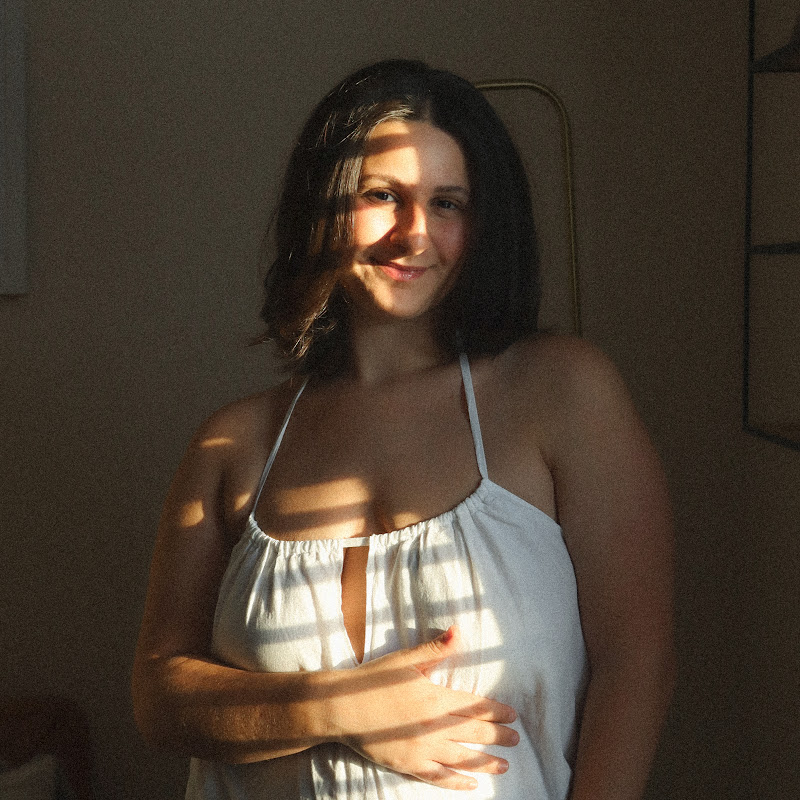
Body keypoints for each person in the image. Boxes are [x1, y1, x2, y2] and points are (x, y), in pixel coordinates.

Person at [132, 59, 674, 800]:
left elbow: (636, 663)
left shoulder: (560, 392)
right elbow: (159, 698)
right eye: (382, 195)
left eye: (447, 203)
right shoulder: (238, 442)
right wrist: (337, 707)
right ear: (323, 205)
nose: (414, 235)